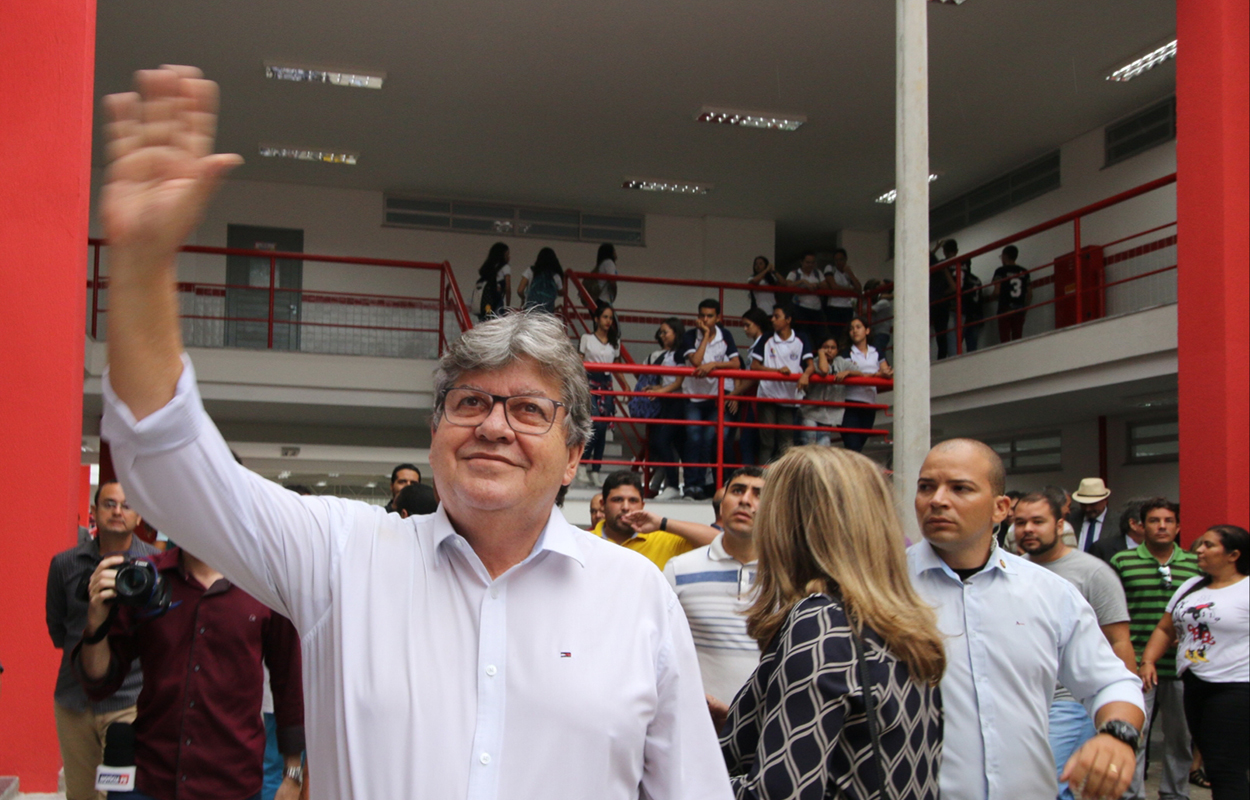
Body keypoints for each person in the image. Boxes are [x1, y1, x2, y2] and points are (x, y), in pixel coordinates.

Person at [95, 66, 732, 799]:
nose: (493, 426)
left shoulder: (636, 597)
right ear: (435, 433)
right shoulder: (343, 559)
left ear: (573, 457)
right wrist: (143, 263)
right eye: (469, 403)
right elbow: (169, 467)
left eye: (528, 410)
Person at [909, 438, 1145, 800]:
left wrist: (1116, 736)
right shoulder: (882, 589)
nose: (938, 500)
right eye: (927, 487)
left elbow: (1110, 682)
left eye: (960, 488)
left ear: (1000, 508)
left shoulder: (1050, 593)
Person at [720, 447, 945, 799]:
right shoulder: (903, 623)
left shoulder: (820, 621)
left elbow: (779, 793)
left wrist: (684, 775)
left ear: (790, 525)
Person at [75, 545, 305, 800]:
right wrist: (96, 624)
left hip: (233, 780)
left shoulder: (264, 583)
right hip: (152, 778)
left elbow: (289, 680)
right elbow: (99, 682)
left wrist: (292, 774)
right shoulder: (147, 577)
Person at [1014, 491, 1139, 800]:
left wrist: (1126, 708)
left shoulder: (1093, 573)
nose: (1028, 529)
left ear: (1060, 525)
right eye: (1020, 522)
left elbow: (1119, 639)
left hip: (1071, 700)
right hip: (1027, 701)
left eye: (1037, 521)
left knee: (1047, 784)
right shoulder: (1011, 572)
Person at [46, 481, 159, 800]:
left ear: (139, 516)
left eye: (126, 505)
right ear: (94, 512)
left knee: (126, 796)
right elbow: (57, 628)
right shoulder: (64, 564)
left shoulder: (155, 566)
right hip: (74, 700)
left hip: (131, 701)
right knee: (82, 794)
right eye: (109, 504)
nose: (118, 511)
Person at [1140, 525, 1249, 800]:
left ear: (1233, 554)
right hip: (1195, 680)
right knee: (1212, 759)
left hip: (1236, 686)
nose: (1199, 549)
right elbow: (1166, 628)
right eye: (1200, 544)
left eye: (1209, 545)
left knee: (1225, 767)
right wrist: (1149, 660)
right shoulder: (1192, 585)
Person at [1111, 498, 1200, 800]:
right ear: (1140, 525)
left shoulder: (1194, 565)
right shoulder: (1123, 561)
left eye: (1168, 521)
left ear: (1178, 527)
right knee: (1133, 735)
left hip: (1180, 667)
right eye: (1154, 520)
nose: (1162, 526)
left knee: (1180, 739)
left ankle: (1176, 794)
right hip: (1133, 663)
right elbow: (1110, 612)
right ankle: (1132, 795)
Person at [662, 467, 765, 706]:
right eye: (737, 491)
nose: (745, 500)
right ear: (721, 505)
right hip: (697, 722)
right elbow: (658, 651)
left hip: (764, 728)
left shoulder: (788, 574)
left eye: (758, 494)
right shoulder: (678, 569)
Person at [678, 299, 741, 500]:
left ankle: (705, 487)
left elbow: (736, 364)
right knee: (693, 438)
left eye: (710, 316)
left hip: (716, 396)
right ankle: (690, 486)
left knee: (709, 439)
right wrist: (705, 335)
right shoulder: (689, 336)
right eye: (702, 315)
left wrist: (713, 365)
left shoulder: (726, 335)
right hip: (694, 397)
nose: (705, 319)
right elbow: (696, 361)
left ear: (718, 318)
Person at [592, 471, 716, 571]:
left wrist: (662, 523)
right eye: (618, 500)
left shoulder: (664, 540)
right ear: (603, 505)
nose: (626, 507)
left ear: (642, 505)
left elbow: (719, 541)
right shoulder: (587, 541)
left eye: (633, 501)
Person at [749, 305, 811, 462]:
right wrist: (776, 371)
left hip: (789, 397)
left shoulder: (801, 338)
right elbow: (754, 366)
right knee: (767, 442)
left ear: (788, 320)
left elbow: (811, 365)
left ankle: (784, 480)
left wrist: (806, 375)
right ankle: (763, 479)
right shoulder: (766, 338)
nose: (772, 319)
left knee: (786, 442)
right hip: (767, 395)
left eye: (777, 316)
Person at [641, 318, 687, 500]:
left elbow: (679, 382)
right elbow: (669, 382)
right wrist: (655, 389)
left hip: (678, 402)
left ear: (675, 332)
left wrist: (661, 392)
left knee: (663, 440)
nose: (662, 336)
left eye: (665, 332)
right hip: (669, 401)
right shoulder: (668, 354)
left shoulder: (681, 354)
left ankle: (674, 485)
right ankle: (675, 485)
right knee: (676, 444)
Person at [578, 301, 620, 486]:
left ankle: (596, 469)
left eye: (611, 318)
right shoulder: (586, 338)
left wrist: (624, 386)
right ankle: (583, 463)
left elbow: (616, 367)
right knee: (594, 422)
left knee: (603, 429)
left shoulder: (615, 342)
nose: (608, 321)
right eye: (605, 317)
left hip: (606, 385)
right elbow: (579, 362)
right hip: (589, 384)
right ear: (596, 319)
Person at [839, 316, 892, 453]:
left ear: (867, 330)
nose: (854, 331)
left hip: (869, 403)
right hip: (850, 403)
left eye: (858, 327)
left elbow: (886, 372)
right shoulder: (846, 352)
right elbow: (848, 373)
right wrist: (875, 374)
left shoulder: (876, 351)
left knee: (859, 446)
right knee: (853, 446)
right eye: (851, 329)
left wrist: (863, 374)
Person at [729, 308, 770, 466]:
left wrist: (734, 393)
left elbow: (754, 377)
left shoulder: (764, 343)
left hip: (755, 396)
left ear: (758, 324)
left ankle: (749, 476)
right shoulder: (757, 344)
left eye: (748, 325)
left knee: (748, 441)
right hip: (750, 395)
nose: (745, 329)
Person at [796, 334, 851, 446]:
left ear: (837, 350)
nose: (829, 351)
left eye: (833, 348)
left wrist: (847, 372)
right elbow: (824, 370)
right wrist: (821, 354)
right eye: (826, 347)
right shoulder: (815, 362)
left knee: (824, 445)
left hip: (827, 414)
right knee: (809, 443)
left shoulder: (841, 362)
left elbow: (861, 373)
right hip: (810, 412)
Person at [1089, 497, 1150, 564]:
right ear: (1133, 524)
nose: (1162, 526)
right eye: (1153, 521)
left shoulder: (1161, 548)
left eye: (1164, 521)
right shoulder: (1102, 548)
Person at [990, 245, 1031, 343]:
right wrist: (1024, 311)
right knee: (1017, 340)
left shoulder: (1000, 271)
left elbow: (997, 291)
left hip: (1005, 309)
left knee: (1005, 341)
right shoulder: (1024, 272)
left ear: (1004, 256)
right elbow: (1029, 295)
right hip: (1019, 309)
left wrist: (991, 298)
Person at [782, 252, 826, 341]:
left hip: (816, 309)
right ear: (801, 262)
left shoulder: (818, 273)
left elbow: (825, 285)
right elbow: (788, 284)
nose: (810, 265)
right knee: (801, 334)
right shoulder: (794, 273)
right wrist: (803, 282)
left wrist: (816, 285)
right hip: (800, 309)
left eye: (812, 262)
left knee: (818, 335)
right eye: (807, 262)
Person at [929, 239, 960, 359]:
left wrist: (935, 249)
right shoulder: (944, 268)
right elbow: (953, 287)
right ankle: (941, 358)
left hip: (933, 304)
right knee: (941, 335)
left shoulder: (934, 270)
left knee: (930, 334)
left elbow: (926, 257)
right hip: (942, 303)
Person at [822, 248, 862, 339]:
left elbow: (859, 289)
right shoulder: (830, 268)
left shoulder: (849, 272)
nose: (839, 262)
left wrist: (850, 273)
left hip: (847, 308)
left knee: (847, 334)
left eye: (841, 260)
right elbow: (834, 287)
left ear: (845, 259)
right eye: (836, 260)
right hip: (833, 307)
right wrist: (851, 289)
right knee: (834, 334)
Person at [471, 241, 512, 321]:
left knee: (485, 321)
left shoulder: (486, 268)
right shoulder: (506, 267)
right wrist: (507, 307)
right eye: (507, 254)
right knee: (497, 323)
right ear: (502, 256)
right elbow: (508, 288)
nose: (509, 257)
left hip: (485, 304)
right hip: (496, 302)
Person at [517, 246, 564, 314]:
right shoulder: (555, 276)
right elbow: (561, 292)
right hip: (547, 312)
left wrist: (524, 298)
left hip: (531, 310)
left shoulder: (530, 271)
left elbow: (520, 290)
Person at [1071, 477, 1112, 552]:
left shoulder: (1117, 522)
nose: (1087, 509)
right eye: (1083, 504)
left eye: (1093, 504)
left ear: (1105, 500)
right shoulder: (1071, 520)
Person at [957, 261, 984, 352]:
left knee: (956, 345)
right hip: (976, 314)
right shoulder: (977, 279)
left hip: (965, 313)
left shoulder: (962, 278)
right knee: (972, 347)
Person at [863, 277, 893, 355]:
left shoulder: (884, 302)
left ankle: (886, 367)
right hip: (877, 332)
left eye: (880, 286)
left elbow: (868, 311)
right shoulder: (880, 300)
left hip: (881, 333)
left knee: (877, 354)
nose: (878, 287)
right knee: (876, 353)